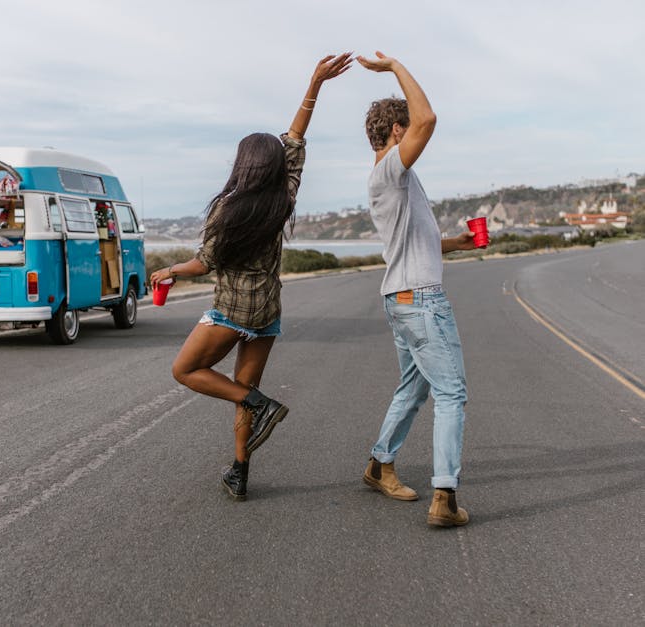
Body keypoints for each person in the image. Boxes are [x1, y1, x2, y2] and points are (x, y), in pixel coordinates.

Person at [149, 52, 354, 501]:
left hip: (231, 311)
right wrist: (314, 85)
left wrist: (168, 269)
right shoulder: (283, 198)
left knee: (186, 370)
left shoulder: (228, 207)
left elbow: (205, 263)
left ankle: (259, 406)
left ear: (244, 164)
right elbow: (296, 141)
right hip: (268, 312)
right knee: (244, 385)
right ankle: (239, 473)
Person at [356, 51, 482, 527]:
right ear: (395, 131)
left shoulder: (396, 180)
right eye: (405, 128)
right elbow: (427, 118)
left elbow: (415, 242)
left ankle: (379, 464)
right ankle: (444, 498)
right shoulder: (391, 168)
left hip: (403, 297)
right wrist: (395, 67)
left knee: (415, 387)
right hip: (421, 301)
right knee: (452, 393)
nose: (414, 133)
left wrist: (457, 242)